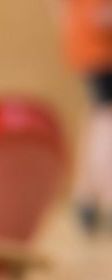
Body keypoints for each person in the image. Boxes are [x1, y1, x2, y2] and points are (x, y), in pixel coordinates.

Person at [56, 0, 112, 232]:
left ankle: (85, 195)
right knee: (105, 118)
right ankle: (105, 196)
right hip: (98, 43)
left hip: (89, 40)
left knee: (96, 114)